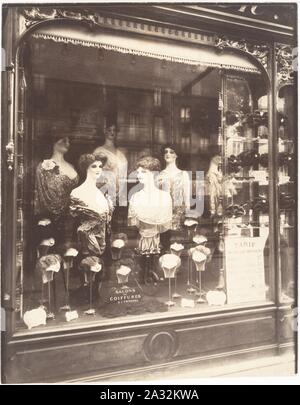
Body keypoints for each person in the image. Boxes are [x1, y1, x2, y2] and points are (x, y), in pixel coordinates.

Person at [128, 156, 172, 283]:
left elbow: (165, 223)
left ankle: (152, 274)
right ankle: (144, 275)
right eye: (138, 172)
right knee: (142, 262)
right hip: (141, 239)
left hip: (158, 240)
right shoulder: (135, 197)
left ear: (154, 174)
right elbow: (134, 224)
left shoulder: (164, 197)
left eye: (144, 172)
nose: (139, 175)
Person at [34, 132, 79, 245]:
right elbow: (45, 195)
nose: (67, 143)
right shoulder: (44, 167)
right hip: (54, 218)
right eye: (64, 140)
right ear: (54, 142)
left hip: (72, 216)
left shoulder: (72, 166)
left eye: (69, 141)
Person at [70, 154, 113, 257]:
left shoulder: (102, 193)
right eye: (94, 166)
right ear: (86, 168)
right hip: (88, 242)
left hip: (104, 240)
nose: (98, 169)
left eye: (100, 166)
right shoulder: (77, 193)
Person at [158, 144, 190, 231]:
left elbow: (187, 197)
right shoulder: (160, 175)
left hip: (179, 213)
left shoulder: (183, 174)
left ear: (176, 155)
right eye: (166, 152)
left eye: (171, 152)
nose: (168, 154)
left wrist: (187, 214)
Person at [93, 122, 128, 204]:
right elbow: (95, 171)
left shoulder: (120, 153)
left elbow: (123, 172)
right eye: (109, 130)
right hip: (104, 189)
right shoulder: (99, 151)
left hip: (119, 189)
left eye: (114, 130)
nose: (112, 132)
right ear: (105, 131)